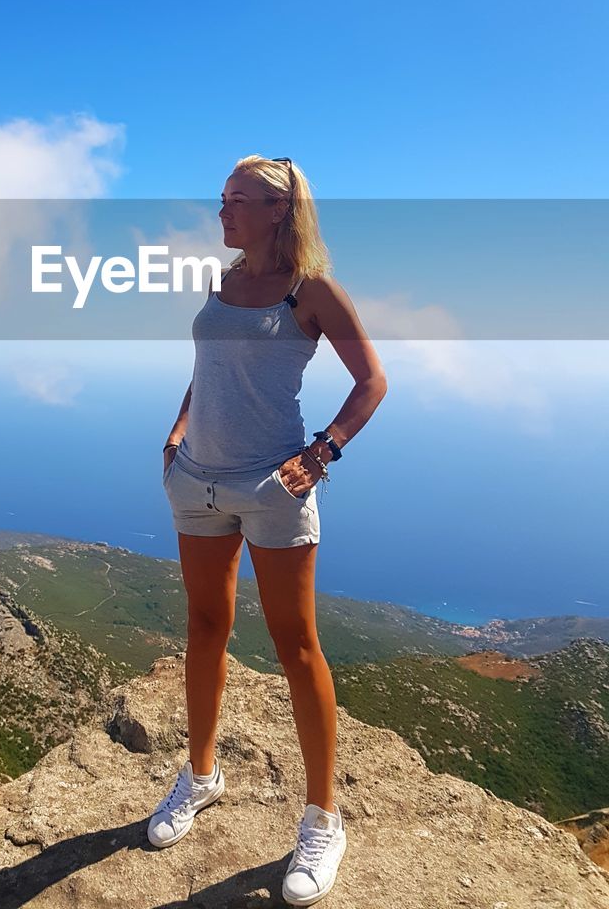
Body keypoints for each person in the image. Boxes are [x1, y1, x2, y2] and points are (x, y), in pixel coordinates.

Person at [147, 154, 388, 906]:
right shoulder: (220, 284)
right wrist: (180, 428)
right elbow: (208, 366)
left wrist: (323, 454)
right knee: (205, 627)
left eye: (235, 200)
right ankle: (201, 775)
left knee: (296, 645)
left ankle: (323, 819)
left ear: (279, 210)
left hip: (270, 487)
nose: (221, 211)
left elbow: (371, 380)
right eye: (221, 198)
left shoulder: (308, 291)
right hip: (197, 482)